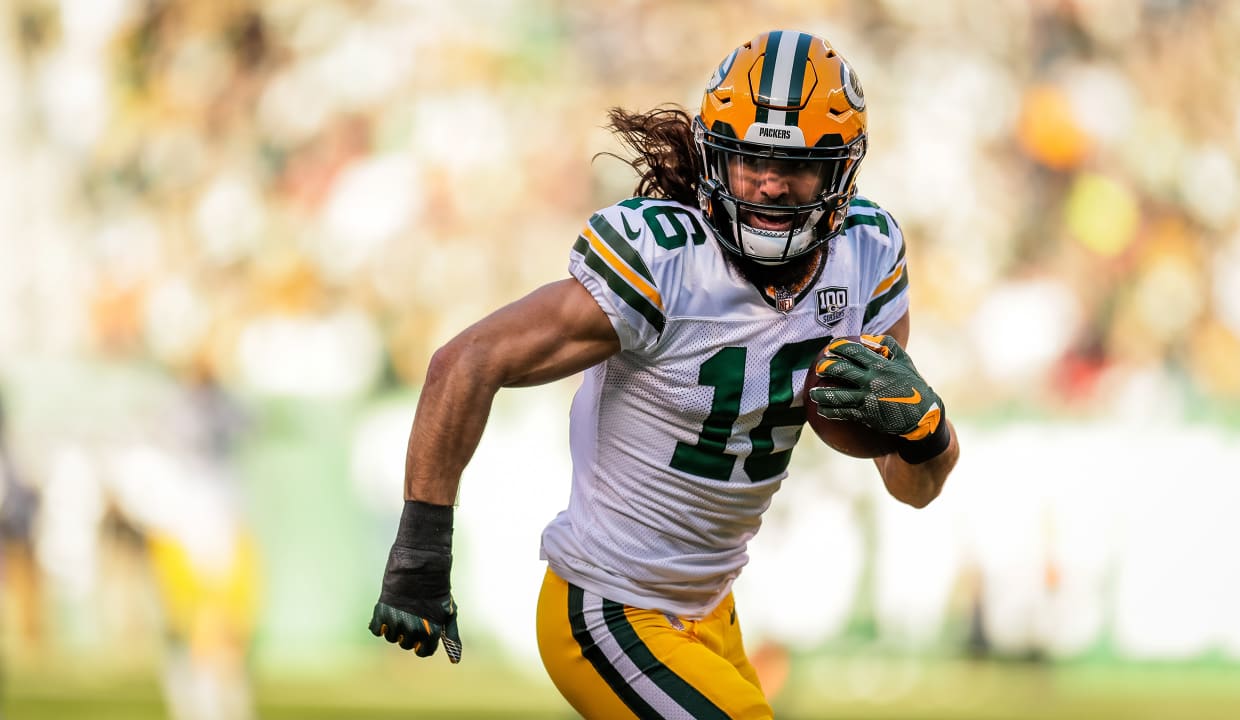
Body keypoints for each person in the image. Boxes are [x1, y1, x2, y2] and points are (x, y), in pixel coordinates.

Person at [369, 30, 959, 718]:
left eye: (794, 165)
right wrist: (420, 548)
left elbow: (912, 487)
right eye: (750, 160)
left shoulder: (868, 252)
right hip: (607, 604)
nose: (769, 182)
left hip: (711, 608)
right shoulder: (664, 259)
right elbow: (467, 360)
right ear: (716, 159)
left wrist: (928, 434)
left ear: (840, 173)